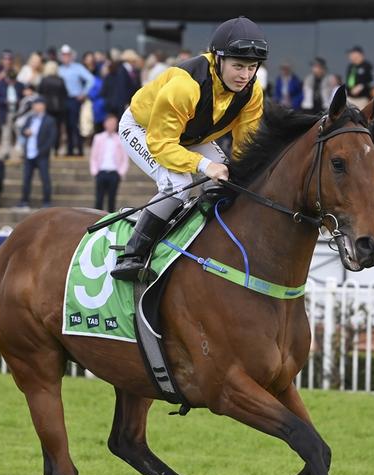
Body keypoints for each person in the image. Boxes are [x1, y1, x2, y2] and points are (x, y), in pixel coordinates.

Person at [111, 16, 267, 280]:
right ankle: (132, 255)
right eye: (238, 66)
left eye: (252, 67)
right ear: (218, 59)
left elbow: (246, 147)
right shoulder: (185, 86)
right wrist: (205, 165)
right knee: (175, 183)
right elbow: (162, 144)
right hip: (145, 130)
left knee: (226, 182)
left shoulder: (252, 92)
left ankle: (203, 241)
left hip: (190, 136)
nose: (245, 75)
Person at [16, 97, 56, 208]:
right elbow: (23, 130)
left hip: (41, 154)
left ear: (43, 106)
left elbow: (51, 138)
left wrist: (43, 151)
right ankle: (24, 200)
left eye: (38, 105)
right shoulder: (30, 119)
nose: (36, 107)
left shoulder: (49, 120)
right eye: (35, 105)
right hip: (29, 153)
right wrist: (25, 132)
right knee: (26, 179)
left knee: (45, 178)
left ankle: (47, 201)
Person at [58, 45, 95, 156]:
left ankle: (79, 149)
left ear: (71, 56)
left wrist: (83, 93)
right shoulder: (59, 69)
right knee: (67, 125)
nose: (66, 57)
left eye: (67, 55)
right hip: (64, 99)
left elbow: (91, 80)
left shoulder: (77, 67)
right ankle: (69, 150)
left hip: (74, 99)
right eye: (64, 55)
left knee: (75, 124)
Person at [89, 113, 129, 212]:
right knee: (99, 199)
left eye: (114, 123)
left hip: (114, 173)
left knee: (112, 200)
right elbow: (93, 156)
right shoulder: (98, 137)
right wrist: (95, 171)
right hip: (101, 172)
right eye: (109, 123)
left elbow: (125, 158)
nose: (111, 125)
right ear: (105, 124)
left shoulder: (120, 138)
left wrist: (120, 172)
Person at [0, 69, 24, 160]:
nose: (11, 81)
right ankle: (5, 152)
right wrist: (4, 101)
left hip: (17, 113)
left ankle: (22, 152)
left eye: (13, 79)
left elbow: (23, 96)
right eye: (10, 79)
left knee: (20, 132)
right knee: (6, 133)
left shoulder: (19, 85)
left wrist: (18, 100)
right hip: (5, 112)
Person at [38, 61, 67, 152]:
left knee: (46, 127)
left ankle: (48, 146)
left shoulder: (44, 80)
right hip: (59, 108)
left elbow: (40, 92)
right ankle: (56, 147)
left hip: (47, 107)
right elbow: (65, 93)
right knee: (57, 128)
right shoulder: (61, 80)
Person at [345, 45, 374, 110]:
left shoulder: (367, 66)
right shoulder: (351, 67)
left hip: (362, 99)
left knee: (360, 118)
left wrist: (362, 86)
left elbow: (372, 81)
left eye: (353, 54)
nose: (351, 56)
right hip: (350, 98)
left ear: (360, 54)